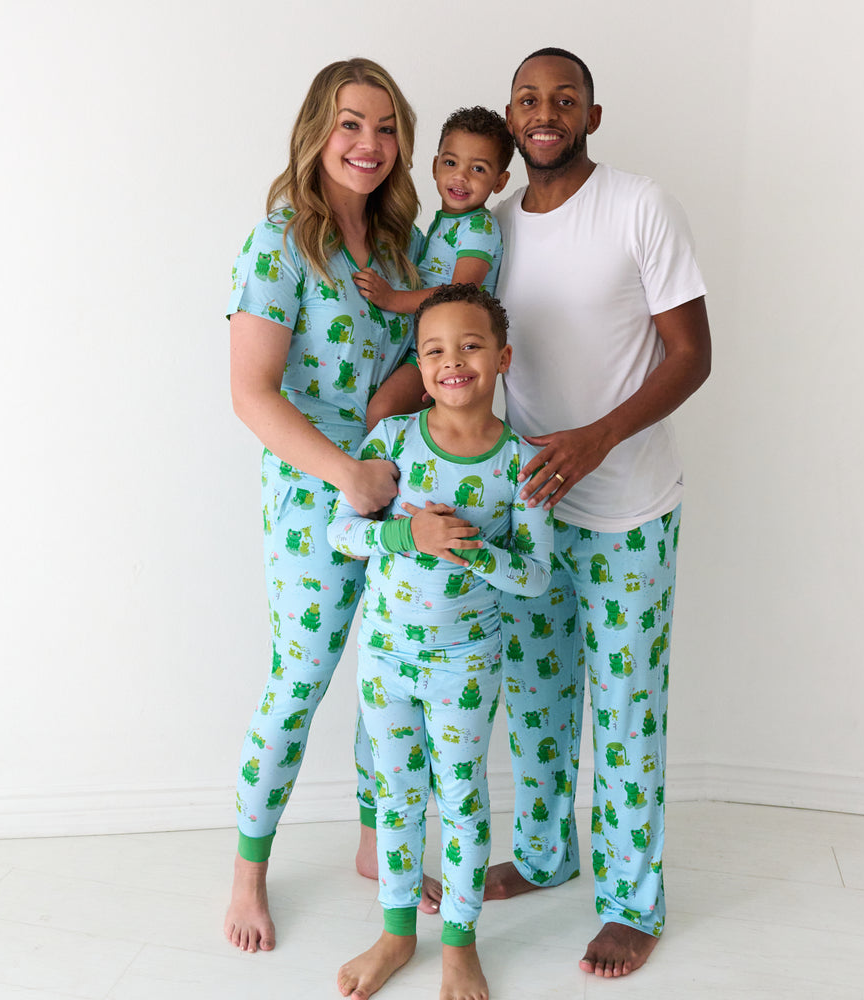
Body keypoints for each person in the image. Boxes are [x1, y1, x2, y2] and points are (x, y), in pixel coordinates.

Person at [484, 48, 712, 978]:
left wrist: (598, 437)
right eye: (530, 100)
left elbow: (691, 355)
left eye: (564, 100)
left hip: (627, 508)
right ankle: (544, 856)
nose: (547, 113)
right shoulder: (491, 228)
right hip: (531, 514)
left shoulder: (639, 205)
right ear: (510, 116)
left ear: (593, 114)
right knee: (537, 703)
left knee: (622, 706)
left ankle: (633, 902)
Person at [223, 57, 430, 954]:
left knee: (392, 677)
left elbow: (432, 350)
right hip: (317, 498)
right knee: (301, 681)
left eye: (386, 128)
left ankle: (373, 844)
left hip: (395, 494)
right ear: (318, 130)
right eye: (352, 124)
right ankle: (247, 875)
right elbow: (252, 393)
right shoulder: (278, 245)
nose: (370, 144)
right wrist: (346, 472)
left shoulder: (398, 249)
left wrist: (399, 404)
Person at [329, 283, 553, 1000]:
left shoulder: (521, 463)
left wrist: (475, 551)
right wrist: (409, 532)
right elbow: (342, 533)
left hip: (465, 663)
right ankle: (397, 934)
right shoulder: (393, 440)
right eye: (433, 350)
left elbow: (536, 576)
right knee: (396, 794)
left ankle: (459, 944)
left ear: (503, 357)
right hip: (387, 657)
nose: (452, 360)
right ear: (420, 368)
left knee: (460, 795)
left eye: (470, 345)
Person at [355, 107, 513, 432]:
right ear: (434, 166)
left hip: (448, 350)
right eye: (451, 163)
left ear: (500, 182)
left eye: (478, 169)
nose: (461, 176)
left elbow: (459, 292)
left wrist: (391, 299)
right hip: (426, 345)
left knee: (381, 413)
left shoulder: (479, 228)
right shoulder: (441, 225)